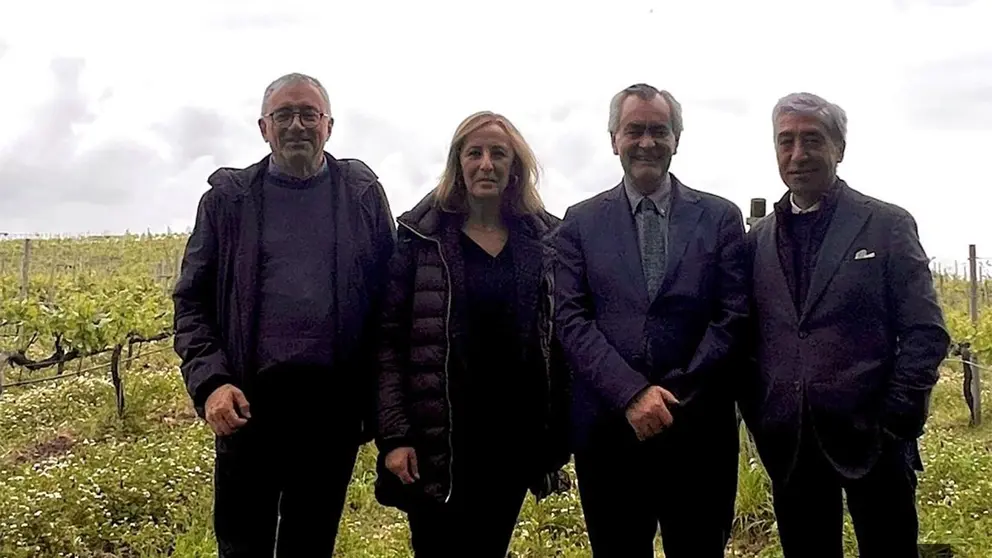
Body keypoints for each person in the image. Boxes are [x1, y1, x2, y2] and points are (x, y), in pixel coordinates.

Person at [172, 72, 396, 557]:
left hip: (330, 415)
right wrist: (211, 382)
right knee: (242, 545)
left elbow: (389, 304)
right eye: (284, 115)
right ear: (263, 127)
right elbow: (192, 302)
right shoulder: (228, 200)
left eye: (308, 114)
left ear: (329, 126)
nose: (297, 125)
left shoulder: (361, 195)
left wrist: (382, 410)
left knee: (310, 544)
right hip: (247, 409)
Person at [739, 92, 951, 558]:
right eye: (786, 141)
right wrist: (763, 414)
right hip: (791, 446)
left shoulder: (886, 225)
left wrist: (897, 416)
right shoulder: (757, 241)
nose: (798, 154)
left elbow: (924, 331)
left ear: (839, 148)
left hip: (875, 440)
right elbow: (752, 337)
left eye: (812, 139)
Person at [554, 83, 748, 557]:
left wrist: (673, 394)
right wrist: (632, 394)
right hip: (610, 435)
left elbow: (733, 315)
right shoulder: (578, 223)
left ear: (677, 139)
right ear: (613, 139)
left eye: (659, 130)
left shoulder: (720, 218)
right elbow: (570, 318)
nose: (647, 142)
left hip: (698, 432)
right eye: (634, 130)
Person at [373, 110, 572, 557]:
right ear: (457, 164)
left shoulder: (544, 241)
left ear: (515, 166)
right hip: (437, 441)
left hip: (511, 443)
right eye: (474, 153)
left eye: (498, 153)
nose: (486, 163)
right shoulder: (420, 238)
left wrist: (556, 434)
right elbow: (389, 341)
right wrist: (395, 436)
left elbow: (558, 341)